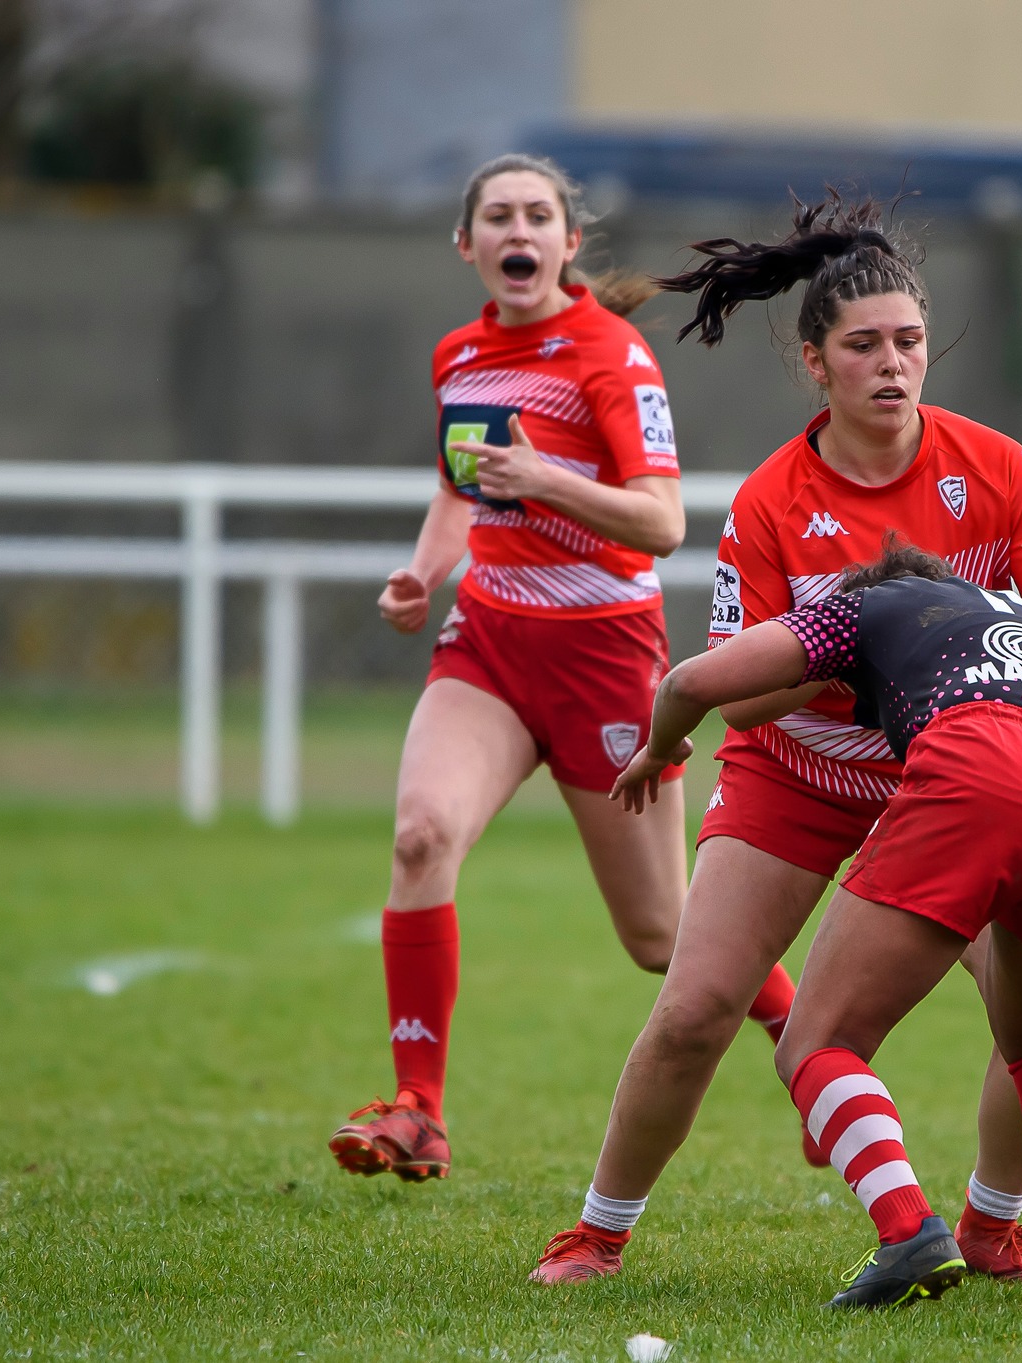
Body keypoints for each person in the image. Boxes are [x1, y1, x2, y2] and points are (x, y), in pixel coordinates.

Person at [531, 193, 1022, 1284]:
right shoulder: (769, 504)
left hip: (953, 780)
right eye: (862, 347)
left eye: (908, 341)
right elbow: (741, 704)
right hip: (791, 776)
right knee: (696, 1006)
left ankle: (990, 1222)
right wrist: (863, 631)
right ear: (814, 362)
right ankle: (597, 1234)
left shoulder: (998, 469)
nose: (892, 364)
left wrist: (957, 658)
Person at [607, 542, 1022, 1307]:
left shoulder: (864, 608)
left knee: (816, 1040)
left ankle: (909, 1231)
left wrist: (659, 747)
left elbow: (692, 680)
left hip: (982, 768)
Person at [324, 154, 729, 1182]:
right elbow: (463, 490)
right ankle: (418, 1105)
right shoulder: (459, 353)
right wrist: (423, 574)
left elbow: (664, 521)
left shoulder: (613, 355)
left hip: (604, 656)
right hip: (490, 644)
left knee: (661, 938)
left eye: (537, 214)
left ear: (565, 242)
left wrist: (546, 477)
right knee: (421, 837)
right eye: (497, 215)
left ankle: (810, 1057)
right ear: (467, 245)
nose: (518, 229)